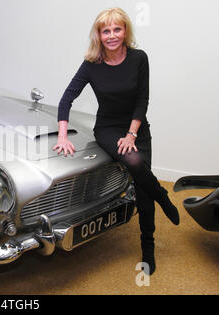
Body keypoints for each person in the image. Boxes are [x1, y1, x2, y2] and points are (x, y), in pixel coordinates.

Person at [53, 7, 179, 275]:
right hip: (108, 128)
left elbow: (142, 100)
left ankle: (148, 248)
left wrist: (132, 133)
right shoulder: (91, 64)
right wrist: (62, 135)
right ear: (98, 35)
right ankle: (163, 195)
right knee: (134, 162)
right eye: (105, 30)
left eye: (117, 29)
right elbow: (66, 100)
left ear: (125, 31)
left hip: (136, 129)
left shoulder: (139, 58)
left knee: (142, 189)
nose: (111, 35)